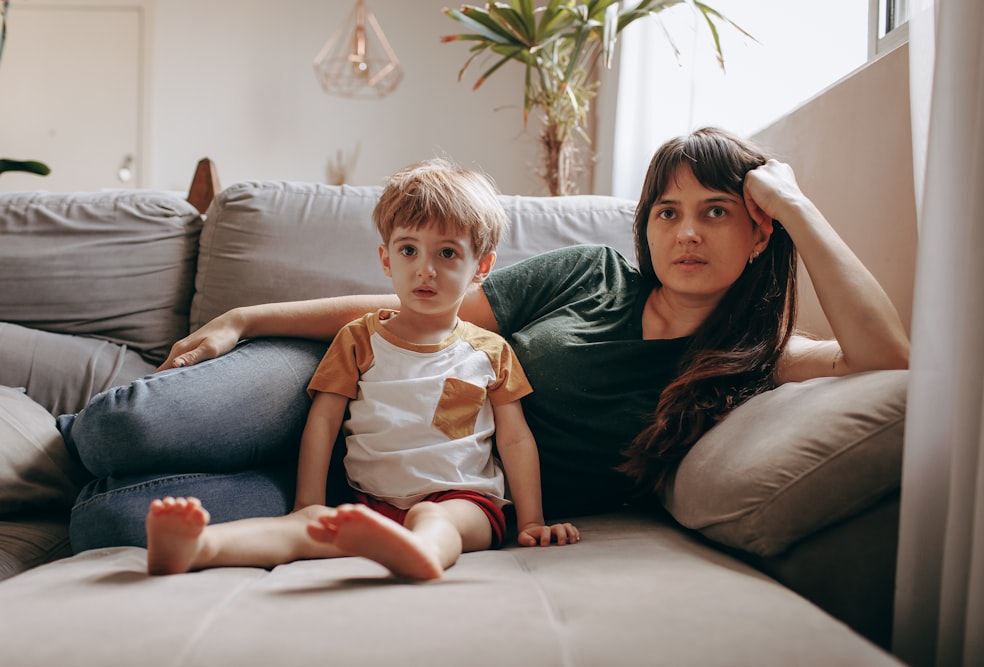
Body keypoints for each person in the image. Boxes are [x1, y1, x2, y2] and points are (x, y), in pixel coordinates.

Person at [60, 127, 909, 551]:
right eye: (668, 211)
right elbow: (422, 311)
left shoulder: (749, 364)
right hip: (340, 377)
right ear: (646, 225)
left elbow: (887, 361)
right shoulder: (590, 275)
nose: (686, 233)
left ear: (758, 234)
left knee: (106, 517)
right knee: (116, 429)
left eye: (716, 212)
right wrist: (249, 315)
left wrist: (798, 205)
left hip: (423, 495)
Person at [143, 159, 580, 579]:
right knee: (305, 528)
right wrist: (309, 502)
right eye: (409, 250)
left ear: (480, 268)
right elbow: (323, 421)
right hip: (370, 507)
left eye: (447, 253)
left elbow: (516, 438)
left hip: (465, 502)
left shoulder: (491, 351)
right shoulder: (358, 339)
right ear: (387, 259)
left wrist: (532, 519)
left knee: (434, 515)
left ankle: (422, 551)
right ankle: (199, 547)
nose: (425, 269)